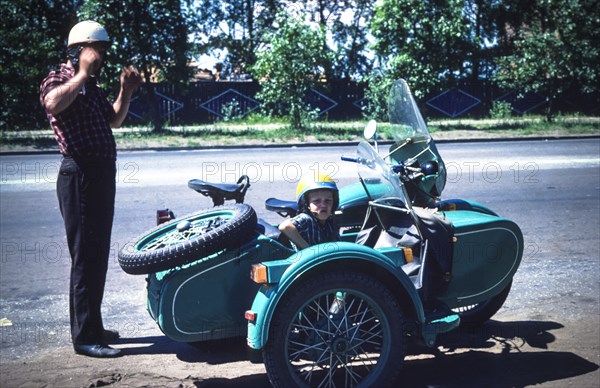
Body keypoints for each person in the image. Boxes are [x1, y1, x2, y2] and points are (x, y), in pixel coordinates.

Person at [39, 20, 142, 358]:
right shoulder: (59, 78)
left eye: (103, 53)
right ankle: (84, 337)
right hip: (79, 174)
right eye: (96, 51)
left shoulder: (93, 86)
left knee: (97, 254)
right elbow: (52, 103)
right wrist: (81, 75)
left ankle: (93, 326)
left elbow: (112, 119)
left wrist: (125, 92)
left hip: (100, 174)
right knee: (84, 257)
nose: (101, 58)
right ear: (78, 50)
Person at [278, 173, 339, 250]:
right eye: (317, 201)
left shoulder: (329, 222)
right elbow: (285, 226)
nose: (323, 205)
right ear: (307, 204)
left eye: (328, 200)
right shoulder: (307, 219)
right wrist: (308, 249)